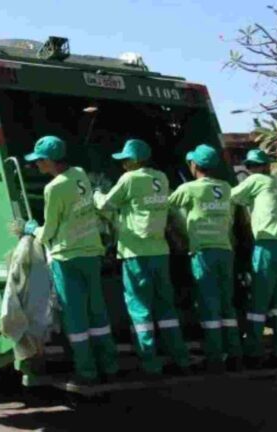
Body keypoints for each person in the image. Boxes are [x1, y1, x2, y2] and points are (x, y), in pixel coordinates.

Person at [21, 135, 118, 385]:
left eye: (39, 161)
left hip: (67, 257)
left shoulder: (53, 188)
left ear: (50, 161)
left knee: (75, 315)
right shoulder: (79, 173)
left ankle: (86, 371)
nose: (37, 166)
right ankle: (109, 364)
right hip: (91, 253)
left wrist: (32, 229)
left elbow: (50, 230)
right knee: (97, 311)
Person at [93, 138, 191, 376]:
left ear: (135, 160)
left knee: (140, 308)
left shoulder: (129, 179)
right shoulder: (161, 178)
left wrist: (95, 192)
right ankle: (180, 356)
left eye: (126, 160)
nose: (123, 164)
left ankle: (149, 361)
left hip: (136, 253)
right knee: (166, 306)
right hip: (160, 252)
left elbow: (106, 205)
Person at [168, 144, 242, 372]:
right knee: (226, 304)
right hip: (225, 250)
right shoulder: (227, 188)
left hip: (204, 252)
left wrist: (177, 234)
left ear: (195, 165)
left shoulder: (189, 189)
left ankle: (214, 357)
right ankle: (234, 353)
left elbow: (165, 207)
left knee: (209, 303)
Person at [231, 149, 277, 369]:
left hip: (266, 245)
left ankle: (254, 352)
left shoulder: (255, 180)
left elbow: (233, 196)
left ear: (257, 167)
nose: (252, 169)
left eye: (252, 166)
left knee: (258, 301)